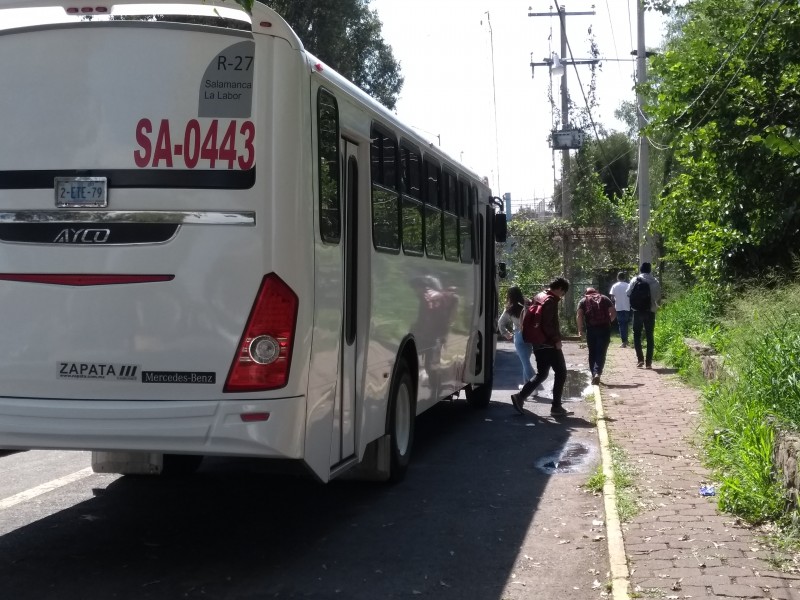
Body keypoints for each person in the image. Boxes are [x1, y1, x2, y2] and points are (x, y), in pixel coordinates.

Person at [511, 277, 572, 418]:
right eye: (563, 293)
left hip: (537, 342)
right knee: (561, 372)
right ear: (560, 289)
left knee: (542, 373)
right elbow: (547, 324)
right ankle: (556, 407)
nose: (562, 296)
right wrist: (556, 340)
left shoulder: (539, 296)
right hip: (549, 343)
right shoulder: (550, 301)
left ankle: (520, 397)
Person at [576, 287, 616, 385]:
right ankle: (597, 372)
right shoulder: (605, 298)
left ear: (586, 293)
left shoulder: (583, 300)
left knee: (592, 352)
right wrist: (608, 322)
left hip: (591, 329)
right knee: (601, 352)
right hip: (605, 329)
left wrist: (580, 330)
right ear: (596, 292)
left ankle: (594, 375)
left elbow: (579, 316)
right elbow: (613, 312)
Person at [498, 286, 536, 388]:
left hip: (519, 335)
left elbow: (500, 323)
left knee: (525, 363)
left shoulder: (510, 308)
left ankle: (533, 387)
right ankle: (526, 384)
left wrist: (506, 334)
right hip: (530, 335)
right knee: (526, 360)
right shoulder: (528, 303)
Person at [626, 262, 662, 369]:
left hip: (637, 311)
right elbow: (658, 296)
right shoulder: (655, 281)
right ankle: (649, 362)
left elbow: (628, 293)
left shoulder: (635, 280)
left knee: (637, 334)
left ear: (640, 270)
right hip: (650, 311)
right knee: (649, 335)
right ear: (650, 270)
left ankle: (640, 359)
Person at [609, 271, 631, 347]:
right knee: (626, 324)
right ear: (624, 278)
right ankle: (626, 340)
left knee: (621, 324)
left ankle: (624, 341)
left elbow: (612, 298)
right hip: (627, 307)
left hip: (618, 307)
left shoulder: (615, 286)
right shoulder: (628, 285)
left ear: (617, 278)